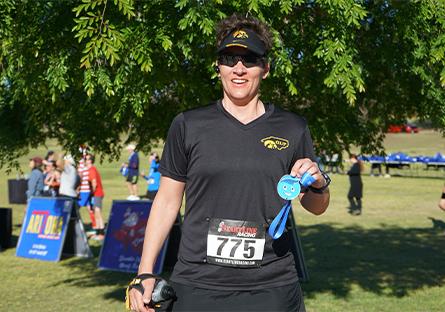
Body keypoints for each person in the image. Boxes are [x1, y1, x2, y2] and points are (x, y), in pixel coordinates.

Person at [128, 14, 330, 312]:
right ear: (218, 67)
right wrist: (145, 272)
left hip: (271, 288)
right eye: (229, 58)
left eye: (249, 59)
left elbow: (316, 205)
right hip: (197, 285)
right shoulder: (188, 125)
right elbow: (167, 201)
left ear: (266, 68)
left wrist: (320, 183)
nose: (239, 68)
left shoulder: (292, 128)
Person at [85, 154, 106, 240]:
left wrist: (91, 193)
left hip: (97, 193)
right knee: (96, 212)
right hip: (95, 194)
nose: (85, 161)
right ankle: (98, 232)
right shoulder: (90, 170)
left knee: (97, 212)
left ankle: (101, 233)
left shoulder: (92, 170)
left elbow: (94, 183)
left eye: (86, 159)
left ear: (90, 161)